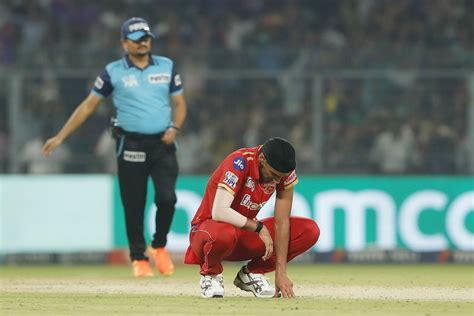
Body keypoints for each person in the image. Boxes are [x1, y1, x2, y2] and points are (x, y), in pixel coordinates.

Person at [42, 17, 187, 277]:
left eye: (146, 37)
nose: (143, 43)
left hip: (163, 143)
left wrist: (174, 128)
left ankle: (159, 246)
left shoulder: (166, 66)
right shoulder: (113, 71)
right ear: (124, 43)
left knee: (167, 199)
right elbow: (89, 105)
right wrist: (60, 136)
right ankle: (139, 258)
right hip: (130, 143)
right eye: (136, 39)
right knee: (133, 203)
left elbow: (179, 104)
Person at [184, 137, 320, 298]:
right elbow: (219, 212)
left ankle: (252, 274)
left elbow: (282, 222)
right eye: (274, 174)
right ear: (261, 159)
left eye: (281, 177)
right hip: (207, 233)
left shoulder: (283, 173)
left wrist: (281, 272)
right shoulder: (239, 162)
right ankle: (211, 275)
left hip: (241, 235)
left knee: (309, 231)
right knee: (225, 232)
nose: (277, 181)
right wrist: (259, 228)